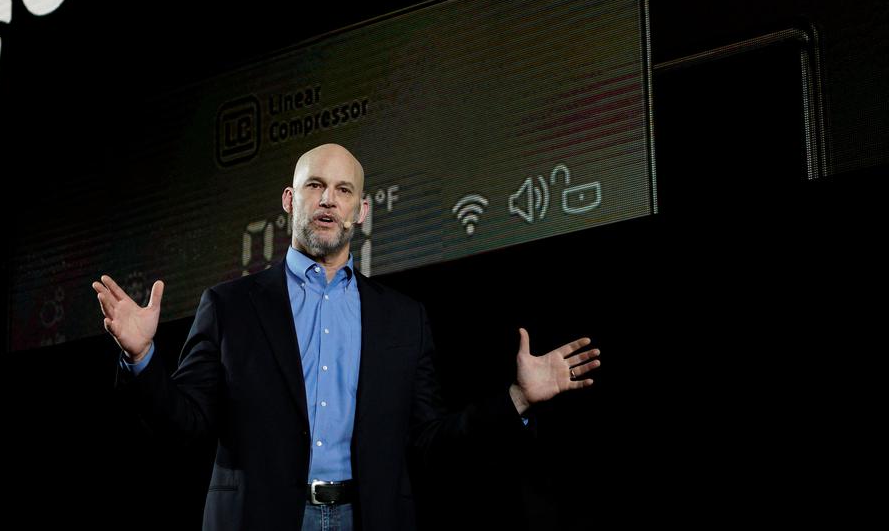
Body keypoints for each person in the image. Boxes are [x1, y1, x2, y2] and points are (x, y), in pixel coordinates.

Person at [93, 143, 599, 530]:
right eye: (315, 186)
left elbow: (429, 444)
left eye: (343, 190)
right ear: (290, 200)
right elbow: (187, 424)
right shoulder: (229, 306)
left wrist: (515, 399)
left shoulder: (404, 319)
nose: (328, 200)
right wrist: (142, 358)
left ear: (362, 210)